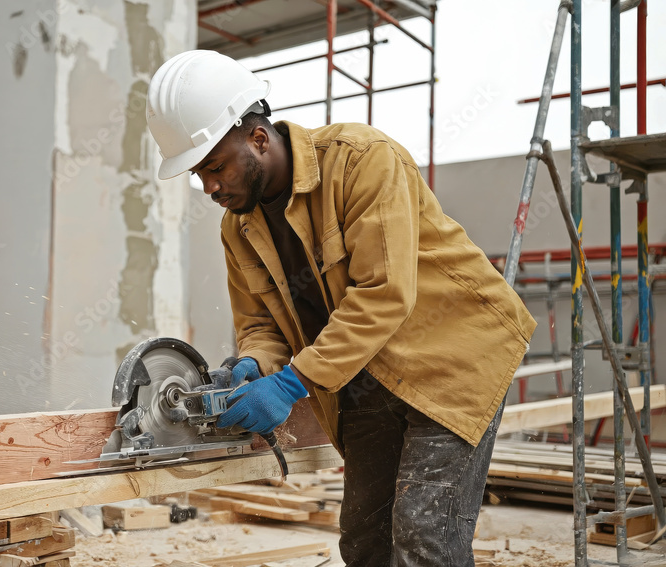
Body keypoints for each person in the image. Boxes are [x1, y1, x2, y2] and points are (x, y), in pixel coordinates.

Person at [146, 50, 538, 567]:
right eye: (200, 174)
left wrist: (289, 384)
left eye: (215, 167)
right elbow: (262, 325)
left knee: (424, 536)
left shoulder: (362, 160)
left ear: (258, 138)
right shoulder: (238, 227)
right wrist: (254, 365)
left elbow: (383, 293)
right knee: (363, 539)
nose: (210, 187)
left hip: (451, 361)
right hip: (365, 376)